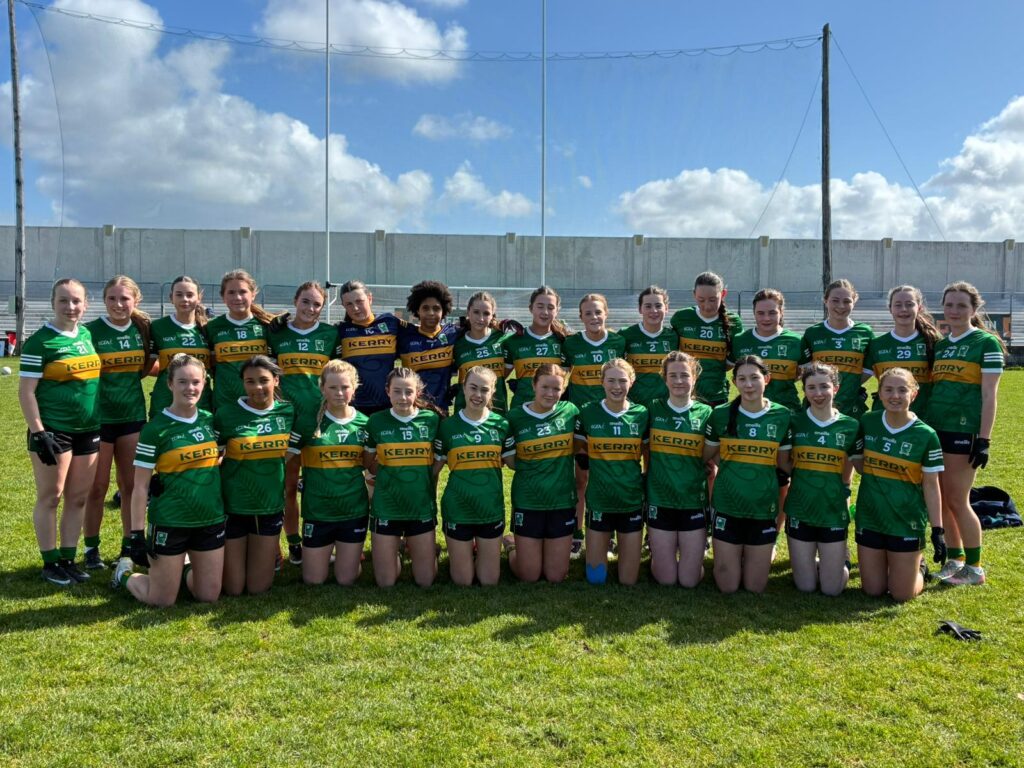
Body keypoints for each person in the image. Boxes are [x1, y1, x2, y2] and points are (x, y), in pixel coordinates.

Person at [111, 354, 224, 606]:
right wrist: (136, 534)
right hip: (171, 520)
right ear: (170, 384)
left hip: (210, 518)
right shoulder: (154, 429)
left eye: (195, 382)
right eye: (182, 382)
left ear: (204, 383)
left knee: (208, 596)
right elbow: (140, 486)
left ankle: (181, 568)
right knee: (162, 600)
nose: (190, 388)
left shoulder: (211, 421)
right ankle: (124, 574)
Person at [19, 278, 101, 585]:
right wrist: (39, 432)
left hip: (88, 429)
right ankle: (50, 561)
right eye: (63, 300)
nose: (70, 306)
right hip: (53, 430)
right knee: (51, 496)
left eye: (76, 300)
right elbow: (26, 392)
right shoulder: (39, 342)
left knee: (78, 498)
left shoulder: (87, 335)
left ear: (85, 304)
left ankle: (68, 558)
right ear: (53, 303)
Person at [926, 281, 1004, 585]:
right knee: (943, 498)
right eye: (949, 305)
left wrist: (983, 439)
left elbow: (989, 395)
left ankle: (975, 568)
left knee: (958, 499)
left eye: (961, 305)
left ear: (974, 309)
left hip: (964, 430)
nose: (954, 311)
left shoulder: (985, 343)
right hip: (937, 429)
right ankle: (955, 559)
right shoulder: (942, 345)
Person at [703, 355, 792, 594]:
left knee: (755, 586)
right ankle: (733, 553)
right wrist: (730, 463)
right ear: (734, 383)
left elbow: (784, 464)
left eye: (754, 378)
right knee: (728, 586)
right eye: (742, 379)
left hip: (763, 507)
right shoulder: (721, 414)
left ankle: (757, 549)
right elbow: (706, 453)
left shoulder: (782, 415)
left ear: (767, 379)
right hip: (727, 504)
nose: (749, 384)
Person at [855, 367, 945, 602]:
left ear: (914, 394)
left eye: (902, 390)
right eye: (888, 390)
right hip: (870, 516)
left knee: (901, 595)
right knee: (872, 590)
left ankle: (919, 567)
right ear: (880, 393)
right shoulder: (868, 421)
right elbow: (859, 465)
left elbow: (931, 485)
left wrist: (938, 530)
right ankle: (898, 565)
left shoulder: (926, 435)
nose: (895, 396)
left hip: (906, 520)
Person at [82, 276, 152, 570]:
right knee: (96, 488)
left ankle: (128, 546)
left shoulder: (143, 329)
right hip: (98, 419)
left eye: (125, 298)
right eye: (112, 298)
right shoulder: (89, 331)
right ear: (104, 300)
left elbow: (146, 367)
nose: (118, 304)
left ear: (136, 300)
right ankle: (91, 549)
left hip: (132, 416)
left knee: (130, 486)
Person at [269, 281, 338, 566]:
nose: (310, 308)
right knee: (284, 487)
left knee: (319, 487)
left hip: (321, 420)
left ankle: (321, 542)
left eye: (317, 304)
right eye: (305, 301)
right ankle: (287, 543)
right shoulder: (276, 332)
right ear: (295, 301)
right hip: (287, 421)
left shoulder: (331, 334)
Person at [215, 355, 295, 595]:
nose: (257, 387)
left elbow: (293, 451)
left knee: (258, 588)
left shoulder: (287, 412)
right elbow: (214, 458)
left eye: (263, 380)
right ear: (243, 383)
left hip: (269, 506)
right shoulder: (226, 414)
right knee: (233, 589)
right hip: (234, 506)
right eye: (250, 381)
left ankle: (269, 552)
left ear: (276, 381)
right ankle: (188, 565)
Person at [782, 363, 862, 596]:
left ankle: (839, 560)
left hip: (832, 509)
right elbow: (784, 463)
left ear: (835, 388)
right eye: (811, 387)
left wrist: (841, 490)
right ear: (804, 390)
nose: (818, 393)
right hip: (800, 508)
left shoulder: (850, 425)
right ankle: (820, 562)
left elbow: (852, 469)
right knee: (805, 587)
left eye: (824, 386)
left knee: (832, 590)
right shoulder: (794, 422)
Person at [293, 359, 370, 586]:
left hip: (353, 510)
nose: (339, 393)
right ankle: (332, 555)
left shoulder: (366, 424)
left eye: (345, 387)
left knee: (346, 579)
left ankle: (350, 557)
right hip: (318, 510)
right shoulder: (307, 423)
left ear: (354, 388)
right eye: (333, 387)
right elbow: (285, 460)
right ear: (322, 388)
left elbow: (372, 466)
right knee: (313, 580)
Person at [434, 366, 513, 586]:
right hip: (458, 508)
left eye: (484, 390)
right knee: (463, 580)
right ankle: (434, 552)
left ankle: (510, 545)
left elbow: (515, 463)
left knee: (489, 581)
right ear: (464, 388)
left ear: (493, 391)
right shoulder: (447, 427)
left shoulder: (502, 424)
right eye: (473, 388)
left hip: (490, 507)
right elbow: (434, 469)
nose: (478, 395)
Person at [562, 293, 626, 558]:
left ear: (606, 313)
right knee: (581, 479)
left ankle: (607, 536)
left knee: (607, 479)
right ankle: (576, 534)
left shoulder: (619, 342)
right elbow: (562, 378)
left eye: (598, 312)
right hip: (582, 422)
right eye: (588, 313)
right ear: (580, 317)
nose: (594, 317)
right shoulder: (571, 344)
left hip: (610, 421)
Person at [364, 367, 441, 587]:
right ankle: (394, 551)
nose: (403, 397)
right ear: (387, 391)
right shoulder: (376, 421)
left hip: (420, 506)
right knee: (385, 582)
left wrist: (422, 476)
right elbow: (367, 462)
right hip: (387, 507)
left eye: (409, 391)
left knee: (426, 581)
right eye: (397, 391)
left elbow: (439, 460)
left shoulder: (431, 420)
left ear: (418, 392)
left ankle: (427, 552)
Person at [574, 359, 648, 585]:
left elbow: (648, 455)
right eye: (611, 380)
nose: (617, 386)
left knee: (628, 580)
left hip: (630, 500)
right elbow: (578, 449)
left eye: (622, 381)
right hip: (599, 501)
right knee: (596, 578)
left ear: (632, 382)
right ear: (602, 382)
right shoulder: (588, 412)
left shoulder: (641, 414)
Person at [504, 363, 579, 583]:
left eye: (556, 389)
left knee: (556, 576)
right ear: (534, 385)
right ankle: (511, 546)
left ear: (563, 390)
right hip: (529, 501)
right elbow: (510, 462)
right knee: (529, 575)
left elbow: (581, 446)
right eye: (545, 387)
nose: (550, 393)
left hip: (561, 501)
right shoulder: (514, 417)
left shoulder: (570, 412)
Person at [645, 351, 713, 587]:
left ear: (694, 377)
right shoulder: (652, 409)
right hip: (660, 499)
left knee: (689, 581)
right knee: (666, 579)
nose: (679, 381)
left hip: (692, 500)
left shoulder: (706, 414)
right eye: (673, 375)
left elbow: (713, 461)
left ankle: (689, 551)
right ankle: (659, 552)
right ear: (664, 379)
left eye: (684, 375)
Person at [800, 279, 874, 420]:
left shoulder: (865, 332)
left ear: (854, 301)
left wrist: (849, 387)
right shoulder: (812, 333)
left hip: (851, 406)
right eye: (835, 300)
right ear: (825, 300)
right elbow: (805, 370)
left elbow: (868, 369)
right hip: (816, 405)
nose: (841, 306)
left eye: (847, 301)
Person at [670, 271, 743, 407]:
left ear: (723, 294)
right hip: (686, 394)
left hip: (717, 394)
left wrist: (713, 369)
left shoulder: (734, 322)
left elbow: (733, 359)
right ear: (694, 295)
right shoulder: (681, 318)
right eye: (701, 300)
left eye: (713, 299)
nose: (707, 306)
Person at [864, 285, 940, 416]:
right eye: (898, 305)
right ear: (890, 309)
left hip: (923, 418)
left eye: (909, 304)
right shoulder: (877, 344)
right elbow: (855, 380)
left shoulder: (933, 341)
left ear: (919, 308)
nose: (904, 309)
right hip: (884, 417)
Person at [206, 270, 274, 412]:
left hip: (260, 403)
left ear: (253, 294)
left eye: (243, 292)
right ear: (223, 297)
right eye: (231, 292)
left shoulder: (267, 326)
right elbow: (211, 365)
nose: (237, 297)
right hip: (225, 404)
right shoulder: (212, 327)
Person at [335, 279, 405, 415]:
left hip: (389, 405)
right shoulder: (340, 331)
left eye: (359, 301)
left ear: (370, 298)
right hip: (354, 407)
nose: (355, 308)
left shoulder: (391, 322)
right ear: (343, 306)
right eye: (349, 304)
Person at [148, 275, 212, 418]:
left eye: (190, 295)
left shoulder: (208, 329)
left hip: (201, 402)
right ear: (171, 298)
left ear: (199, 298)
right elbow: (147, 366)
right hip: (165, 400)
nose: (184, 299)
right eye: (179, 295)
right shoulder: (157, 327)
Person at [731, 288, 802, 412]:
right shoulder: (739, 340)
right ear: (754, 313)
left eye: (772, 313)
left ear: (781, 312)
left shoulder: (797, 341)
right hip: (750, 411)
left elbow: (804, 375)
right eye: (760, 313)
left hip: (788, 410)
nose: (766, 318)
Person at [397, 280, 458, 412]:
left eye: (436, 308)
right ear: (417, 310)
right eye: (425, 308)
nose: (431, 313)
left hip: (442, 409)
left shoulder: (453, 333)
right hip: (412, 409)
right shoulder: (404, 336)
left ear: (444, 311)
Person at [502, 285, 567, 410]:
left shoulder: (563, 341)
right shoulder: (513, 341)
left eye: (550, 307)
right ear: (531, 308)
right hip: (521, 410)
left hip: (553, 412)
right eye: (540, 306)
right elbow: (498, 378)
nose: (545, 312)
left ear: (557, 311)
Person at [452, 291, 514, 415]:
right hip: (465, 411)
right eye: (476, 312)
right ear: (468, 312)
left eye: (486, 313)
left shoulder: (503, 339)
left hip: (497, 410)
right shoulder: (456, 343)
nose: (480, 318)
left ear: (492, 316)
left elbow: (504, 373)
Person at [620, 285, 678, 407]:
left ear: (666, 308)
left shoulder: (674, 336)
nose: (654, 310)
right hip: (635, 404)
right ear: (640, 309)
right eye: (648, 306)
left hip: (665, 405)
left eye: (658, 306)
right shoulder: (626, 335)